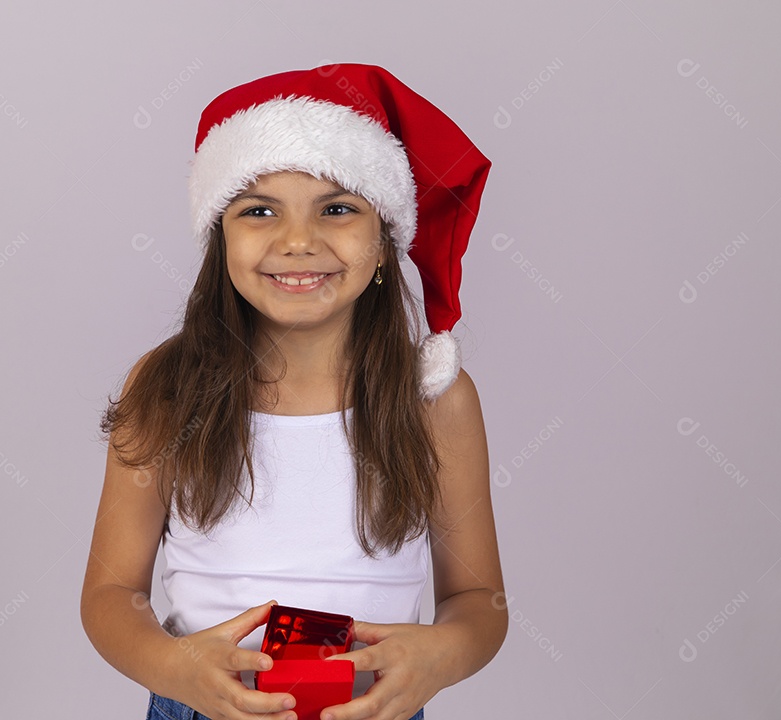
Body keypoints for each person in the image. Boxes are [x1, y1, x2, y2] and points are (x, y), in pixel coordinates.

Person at [81, 62, 506, 720]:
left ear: (385, 243)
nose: (299, 240)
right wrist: (177, 669)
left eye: (337, 208)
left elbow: (478, 601)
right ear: (220, 237)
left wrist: (439, 656)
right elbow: (110, 594)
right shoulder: (166, 389)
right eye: (259, 211)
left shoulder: (435, 399)